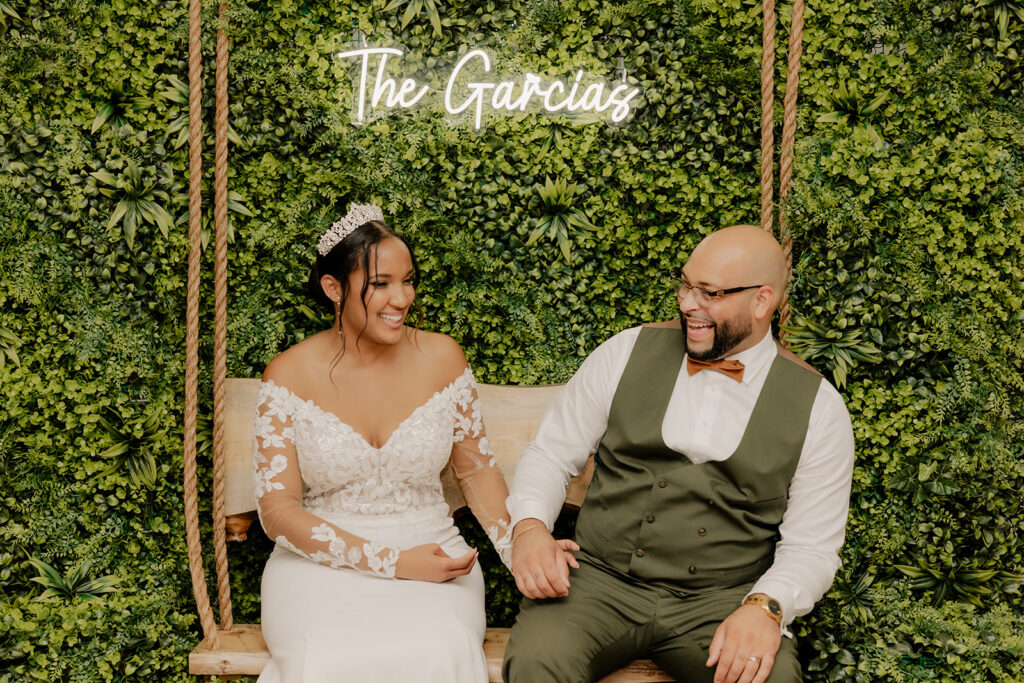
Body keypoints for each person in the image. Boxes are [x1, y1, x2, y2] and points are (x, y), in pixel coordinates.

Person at [503, 225, 855, 683]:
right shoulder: (625, 352)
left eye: (709, 293)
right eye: (686, 284)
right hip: (599, 584)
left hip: (721, 601)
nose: (688, 303)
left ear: (762, 301)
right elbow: (551, 454)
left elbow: (812, 547)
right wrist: (529, 527)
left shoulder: (820, 409)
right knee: (537, 662)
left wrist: (766, 607)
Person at [253, 203, 516, 682]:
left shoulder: (442, 357)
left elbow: (476, 470)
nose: (401, 298)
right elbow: (278, 512)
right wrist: (393, 563)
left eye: (408, 280)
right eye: (380, 284)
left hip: (434, 554)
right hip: (319, 566)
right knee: (329, 658)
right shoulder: (289, 374)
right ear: (334, 289)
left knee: (437, 653)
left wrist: (522, 550)